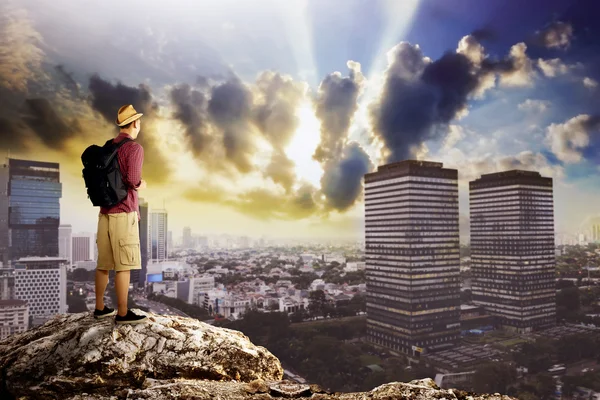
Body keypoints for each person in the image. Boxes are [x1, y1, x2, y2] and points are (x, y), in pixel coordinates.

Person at [93, 104, 148, 324]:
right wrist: (142, 184)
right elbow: (132, 180)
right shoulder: (134, 148)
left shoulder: (109, 146)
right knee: (124, 265)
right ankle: (123, 312)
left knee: (104, 264)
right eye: (139, 121)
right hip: (124, 213)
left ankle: (100, 307)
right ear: (135, 123)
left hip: (104, 212)